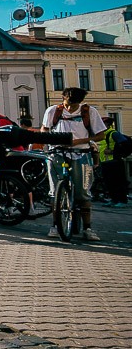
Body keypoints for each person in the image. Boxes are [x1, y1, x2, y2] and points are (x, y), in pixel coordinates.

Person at [42, 87, 106, 240]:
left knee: (83, 193)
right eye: (68, 104)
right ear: (63, 99)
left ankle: (87, 228)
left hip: (80, 153)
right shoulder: (53, 111)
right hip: (57, 153)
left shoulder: (89, 112)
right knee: (55, 192)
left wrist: (80, 141)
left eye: (74, 105)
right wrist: (49, 139)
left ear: (80, 102)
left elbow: (100, 135)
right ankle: (55, 226)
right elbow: (44, 129)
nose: (70, 108)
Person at [96, 119, 129, 207]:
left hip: (115, 161)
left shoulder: (113, 133)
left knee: (118, 182)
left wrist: (114, 152)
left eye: (103, 124)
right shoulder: (103, 134)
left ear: (108, 125)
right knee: (109, 182)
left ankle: (122, 200)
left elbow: (126, 144)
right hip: (106, 161)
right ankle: (114, 199)